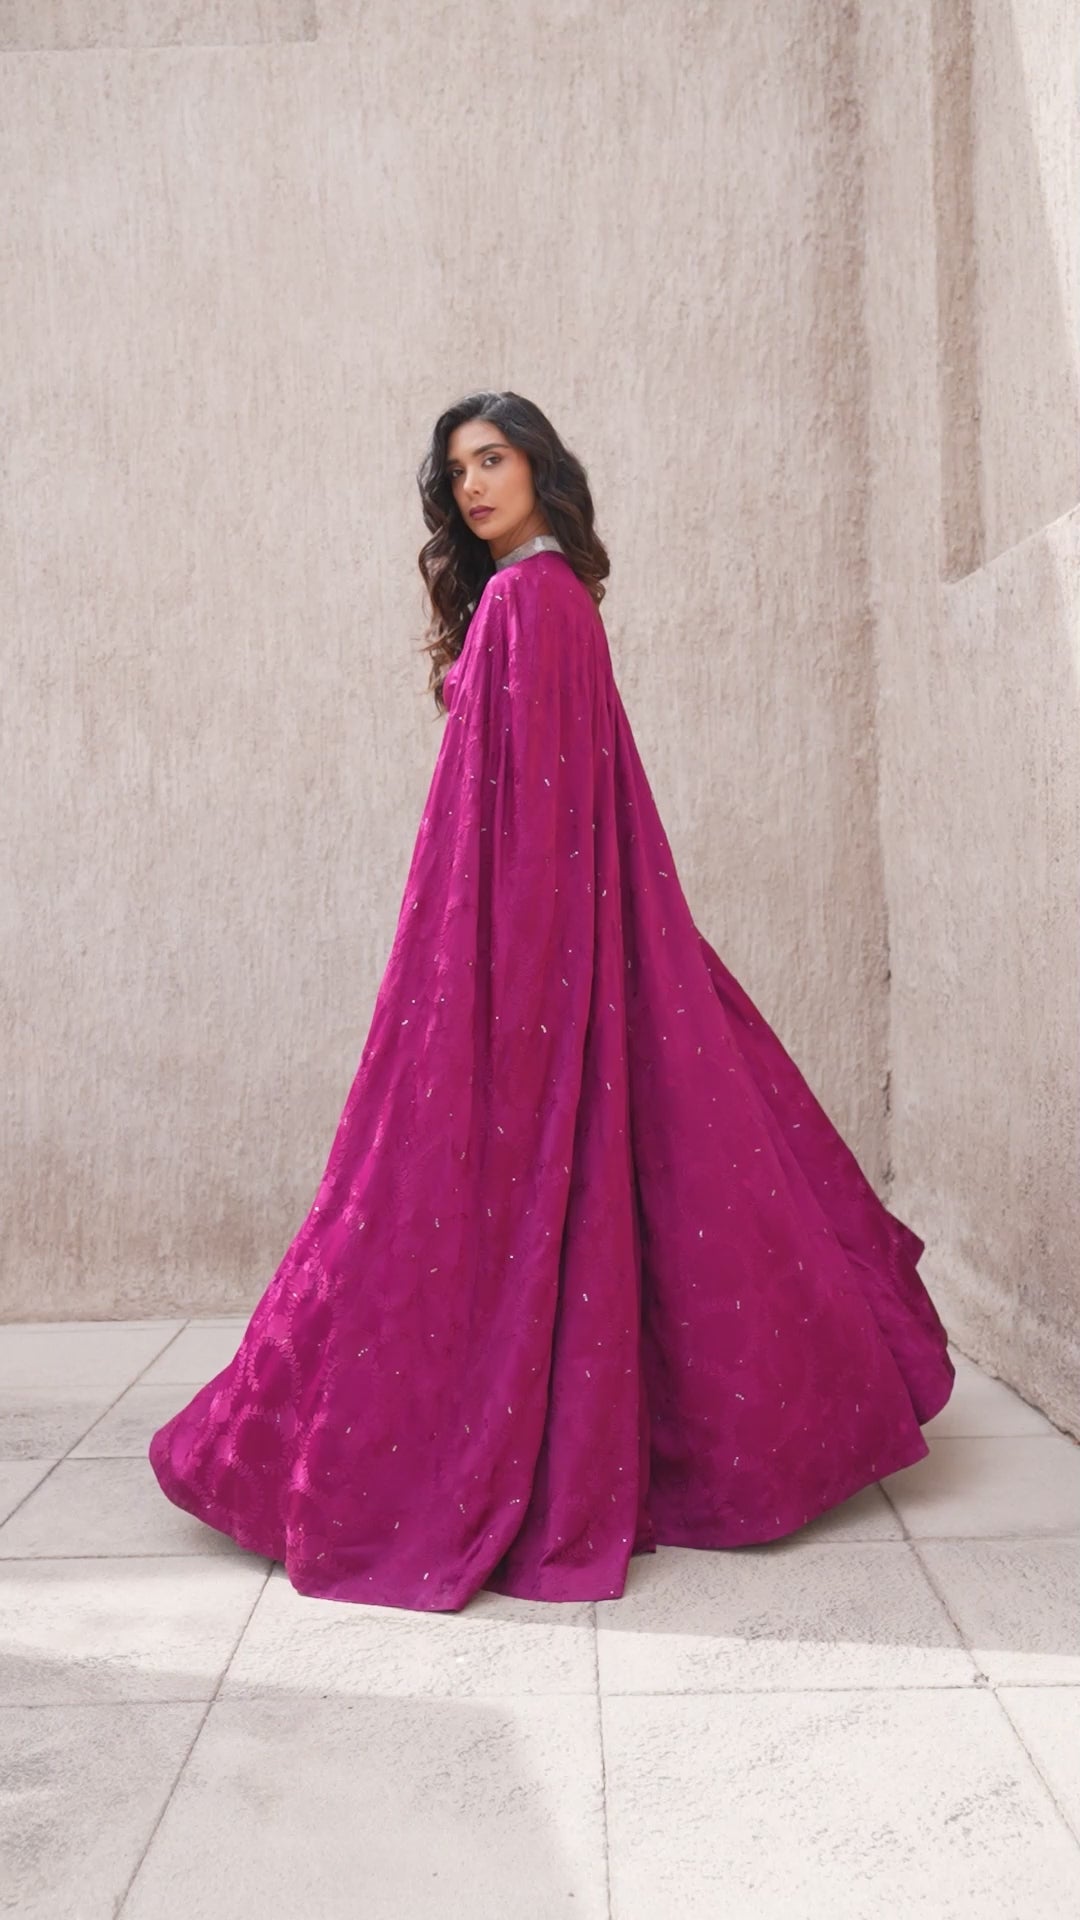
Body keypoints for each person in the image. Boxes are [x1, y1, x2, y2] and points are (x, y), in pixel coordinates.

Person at [149, 389, 954, 1609]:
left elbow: (535, 826)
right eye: (456, 470)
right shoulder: (545, 600)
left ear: (540, 469)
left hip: (518, 953)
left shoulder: (534, 604)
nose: (473, 485)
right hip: (537, 943)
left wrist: (505, 1004)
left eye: (494, 459)